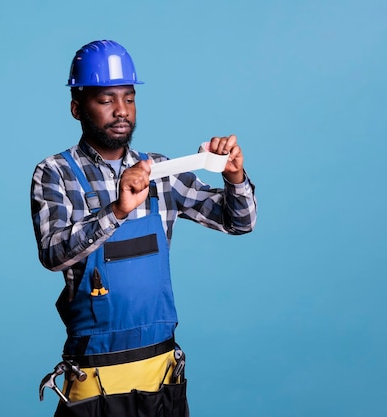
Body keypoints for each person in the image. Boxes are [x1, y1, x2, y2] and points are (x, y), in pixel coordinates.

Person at [31, 40, 257, 417]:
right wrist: (118, 208)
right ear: (76, 108)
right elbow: (53, 254)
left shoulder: (160, 172)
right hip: (94, 377)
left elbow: (240, 222)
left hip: (160, 373)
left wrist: (234, 176)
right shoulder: (55, 173)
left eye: (129, 98)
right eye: (106, 100)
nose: (122, 111)